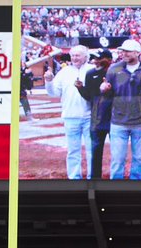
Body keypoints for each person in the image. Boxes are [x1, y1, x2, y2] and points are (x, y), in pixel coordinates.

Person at [102, 40, 141, 180]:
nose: (124, 53)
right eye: (123, 51)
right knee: (117, 159)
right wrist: (105, 90)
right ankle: (116, 188)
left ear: (137, 53)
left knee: (139, 159)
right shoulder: (114, 69)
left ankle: (135, 187)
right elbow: (108, 95)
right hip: (119, 120)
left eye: (128, 51)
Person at [50, 45, 92, 179]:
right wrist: (48, 81)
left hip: (90, 117)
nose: (74, 58)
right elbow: (53, 93)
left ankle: (93, 177)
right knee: (73, 151)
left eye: (78, 55)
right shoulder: (64, 72)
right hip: (70, 117)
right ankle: (74, 178)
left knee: (92, 151)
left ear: (85, 56)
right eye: (73, 55)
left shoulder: (92, 70)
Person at [81, 50, 114, 180]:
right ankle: (95, 180)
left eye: (99, 58)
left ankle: (116, 178)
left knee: (117, 153)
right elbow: (88, 96)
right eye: (95, 58)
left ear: (109, 59)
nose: (96, 61)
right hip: (97, 117)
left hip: (115, 117)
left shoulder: (116, 72)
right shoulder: (90, 73)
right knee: (95, 151)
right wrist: (80, 88)